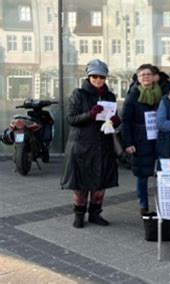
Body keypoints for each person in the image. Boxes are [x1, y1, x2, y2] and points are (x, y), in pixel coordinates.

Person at [61, 59, 120, 228]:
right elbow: (71, 119)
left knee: (100, 184)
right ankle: (79, 215)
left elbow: (113, 121)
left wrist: (116, 120)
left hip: (103, 145)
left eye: (101, 76)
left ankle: (95, 214)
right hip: (82, 146)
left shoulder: (109, 96)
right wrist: (90, 114)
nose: (98, 79)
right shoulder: (79, 94)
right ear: (88, 76)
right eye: (94, 76)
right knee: (81, 184)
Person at [122, 64, 163, 216]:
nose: (145, 77)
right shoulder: (133, 95)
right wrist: (128, 143)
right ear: (138, 79)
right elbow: (125, 120)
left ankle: (162, 203)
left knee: (160, 174)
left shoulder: (162, 94)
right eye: (142, 75)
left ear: (154, 77)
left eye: (148, 74)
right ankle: (143, 205)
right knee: (142, 176)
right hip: (140, 140)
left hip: (159, 140)